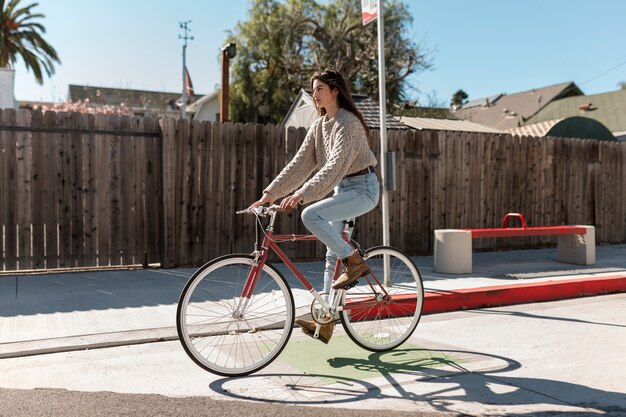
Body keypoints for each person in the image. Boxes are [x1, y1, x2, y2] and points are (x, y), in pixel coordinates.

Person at [248, 68, 380, 343]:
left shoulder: (349, 123)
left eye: (319, 88)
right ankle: (327, 318)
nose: (314, 94)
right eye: (313, 89)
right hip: (342, 188)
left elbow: (335, 166)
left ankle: (355, 262)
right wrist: (271, 193)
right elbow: (300, 164)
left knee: (311, 213)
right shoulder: (319, 126)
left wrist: (302, 194)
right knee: (332, 256)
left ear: (335, 91)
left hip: (363, 188)